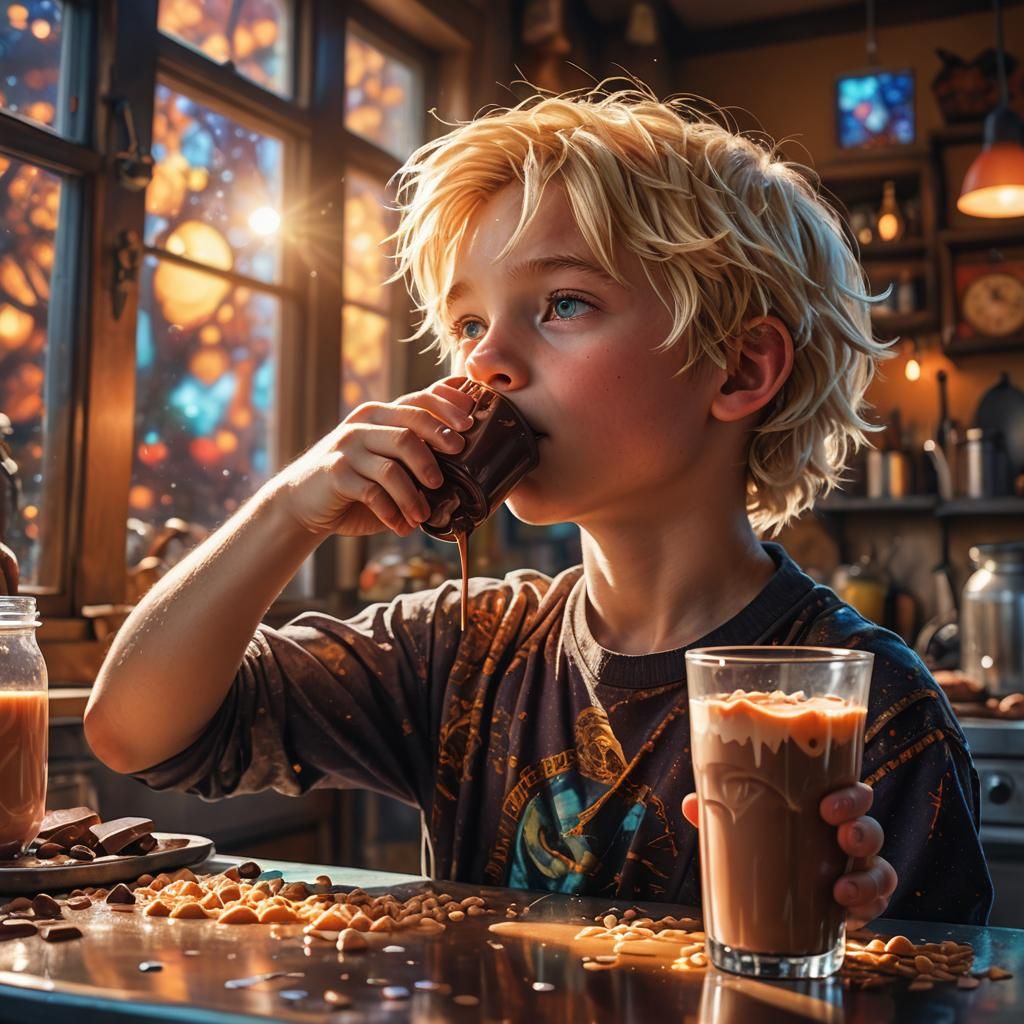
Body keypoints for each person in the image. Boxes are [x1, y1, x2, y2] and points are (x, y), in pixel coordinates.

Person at [85, 86, 992, 926]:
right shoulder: (465, 650)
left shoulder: (861, 706)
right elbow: (137, 732)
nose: (484, 364)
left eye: (562, 303)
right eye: (471, 324)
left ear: (741, 367)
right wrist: (289, 508)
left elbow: (947, 982)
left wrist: (860, 951)